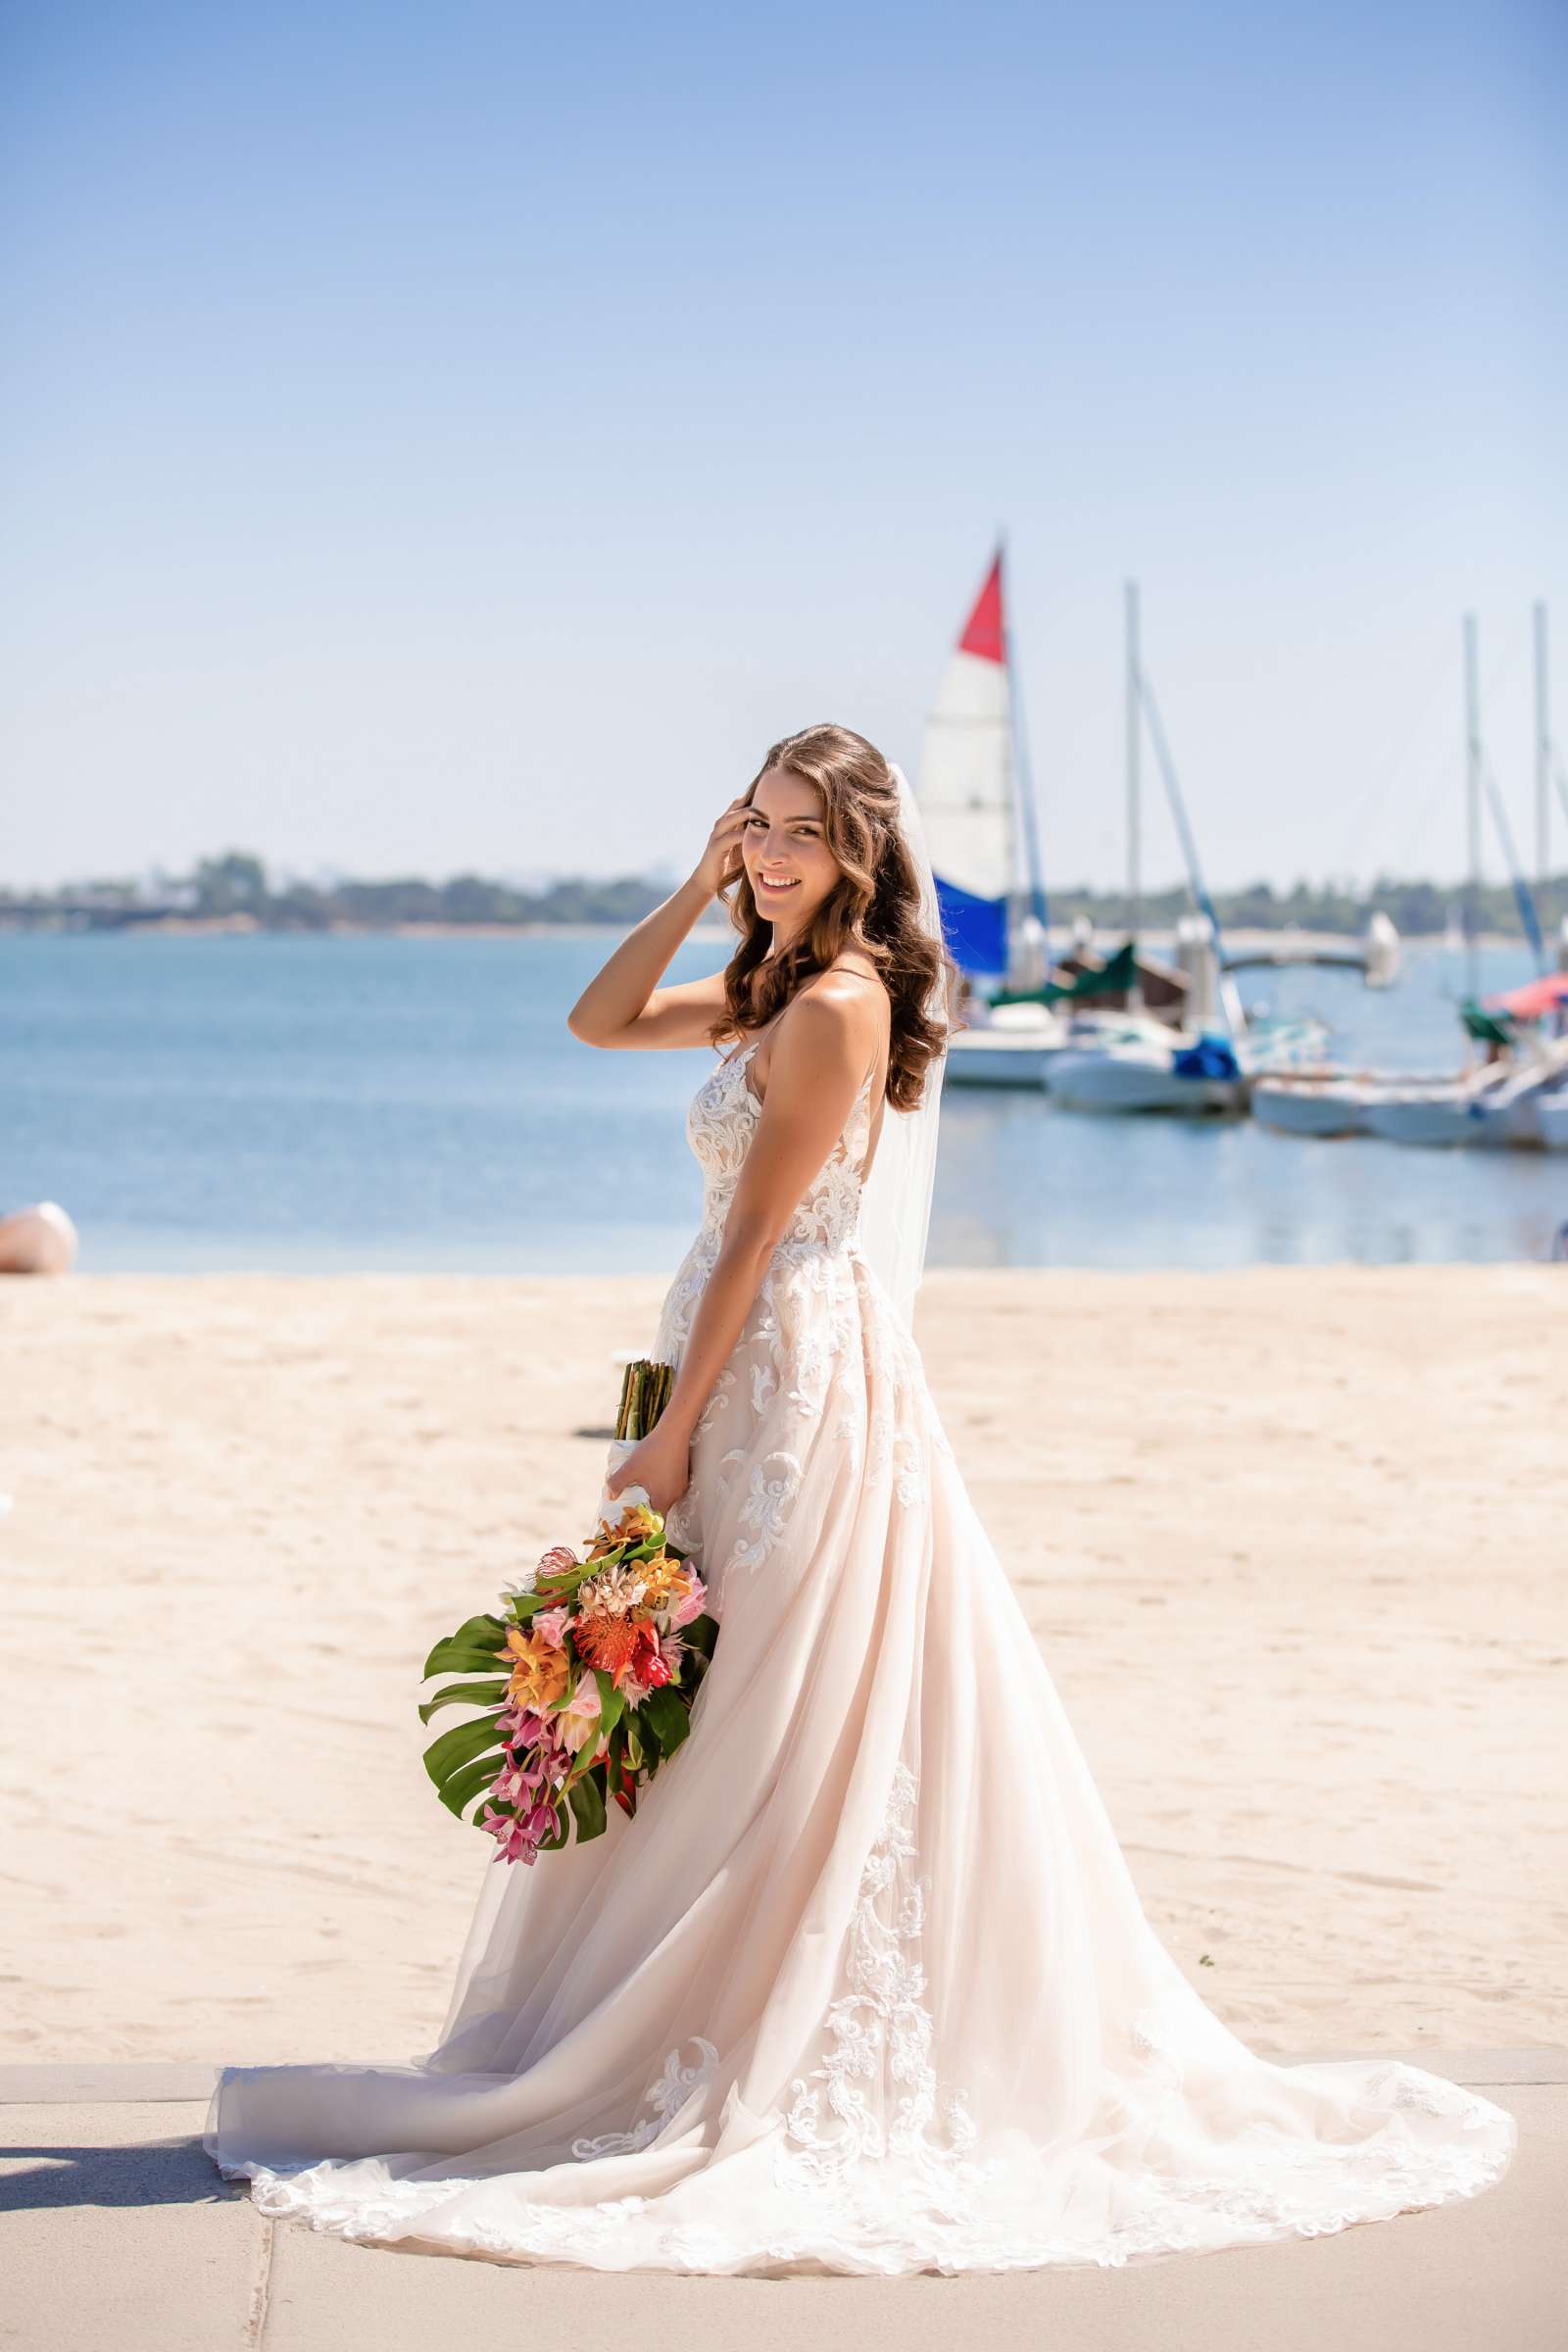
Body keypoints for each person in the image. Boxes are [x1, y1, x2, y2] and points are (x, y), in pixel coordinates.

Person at [204, 723, 1514, 2276]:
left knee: (778, 1689)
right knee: (743, 1689)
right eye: (755, 826)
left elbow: (759, 1238)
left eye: (800, 836)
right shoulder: (769, 984)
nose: (768, 855)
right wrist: (699, 884)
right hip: (740, 1346)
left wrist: (672, 1430)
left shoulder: (835, 1005)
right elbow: (596, 1014)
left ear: (863, 855)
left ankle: (774, 2018)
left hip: (781, 1369)